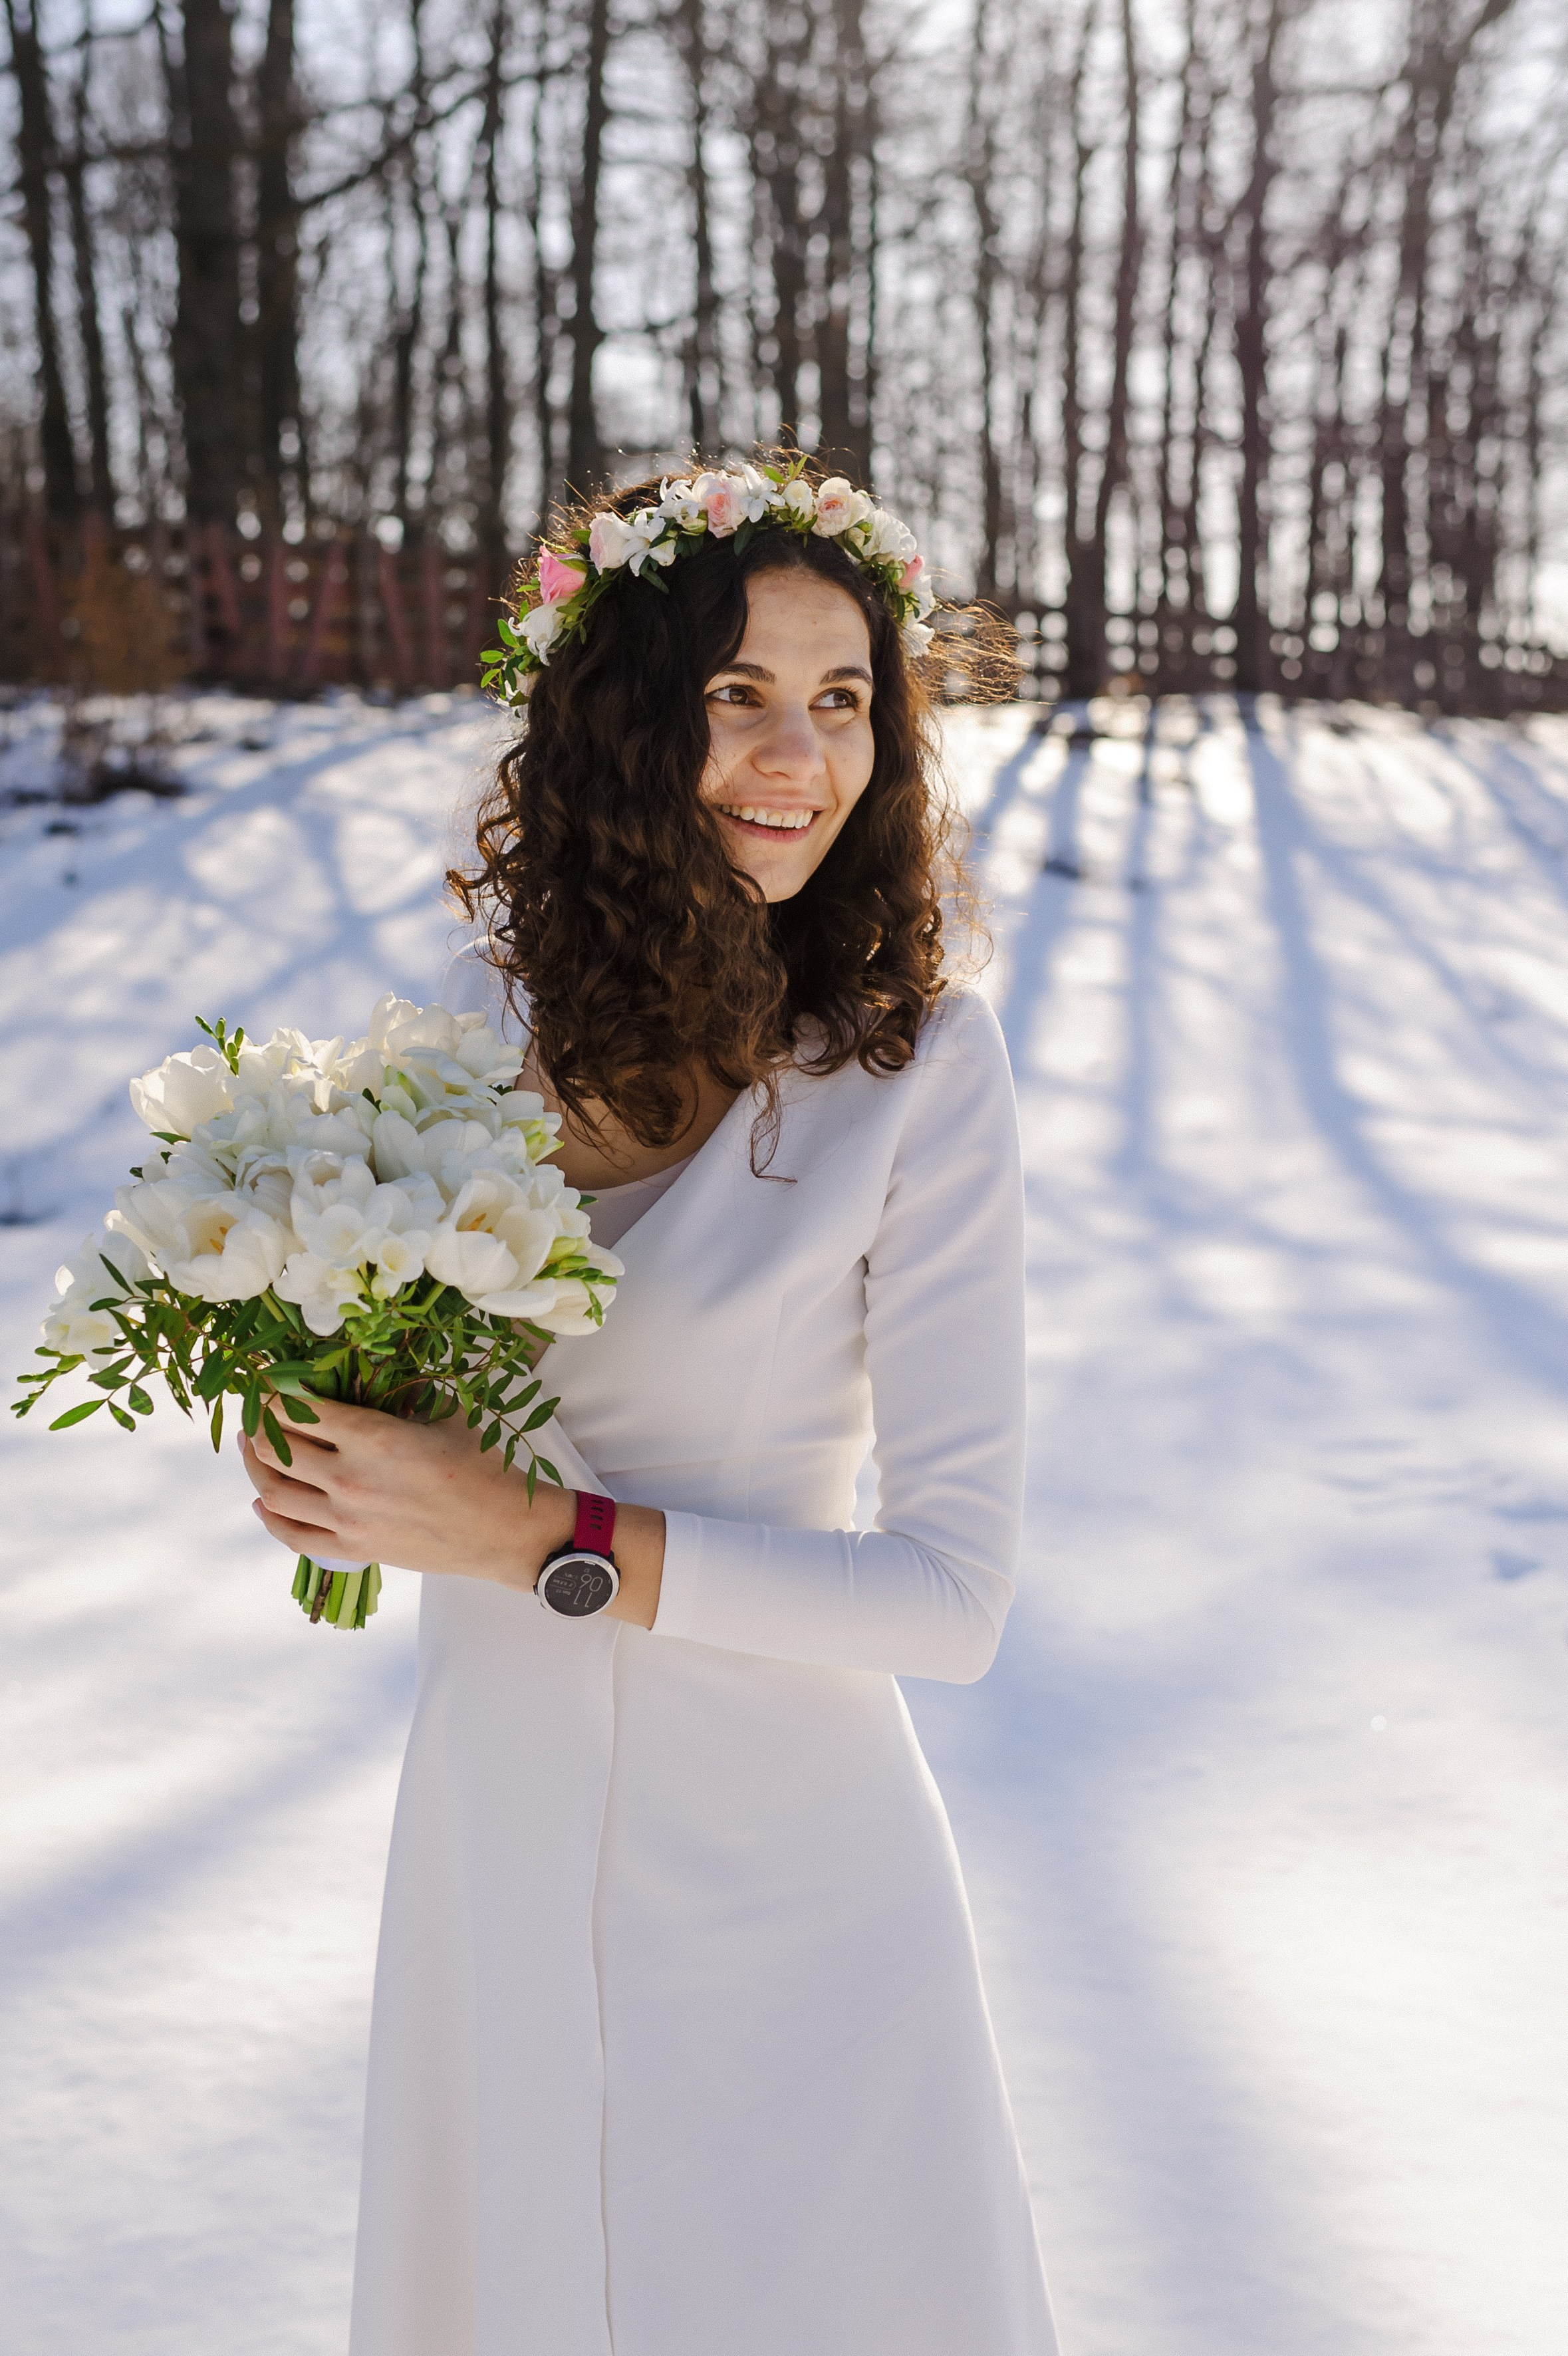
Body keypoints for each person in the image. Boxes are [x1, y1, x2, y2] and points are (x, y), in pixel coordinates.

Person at [241, 458, 1059, 2356]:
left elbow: (954, 1598)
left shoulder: (914, 1071)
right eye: (738, 695)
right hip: (494, 1831)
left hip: (782, 1877)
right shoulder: (479, 1037)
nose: (799, 754)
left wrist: (544, 1539)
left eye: (845, 699)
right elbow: (415, 1404)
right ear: (624, 717)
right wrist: (325, 1446)